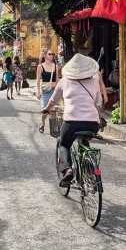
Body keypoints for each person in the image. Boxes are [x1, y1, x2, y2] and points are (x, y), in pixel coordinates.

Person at [42, 54, 101, 186]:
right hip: (92, 123)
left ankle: (68, 170)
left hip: (71, 122)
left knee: (64, 144)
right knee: (84, 143)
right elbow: (96, 102)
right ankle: (89, 172)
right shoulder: (95, 82)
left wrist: (46, 109)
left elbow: (53, 100)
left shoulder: (64, 81)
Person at [36, 49, 59, 134]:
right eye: (49, 54)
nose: (51, 55)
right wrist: (38, 92)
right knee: (45, 111)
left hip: (54, 90)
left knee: (53, 110)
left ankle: (53, 129)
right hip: (45, 91)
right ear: (44, 55)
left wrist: (61, 89)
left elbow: (57, 79)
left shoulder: (55, 66)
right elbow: (38, 80)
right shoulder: (40, 66)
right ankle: (42, 123)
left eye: (52, 54)